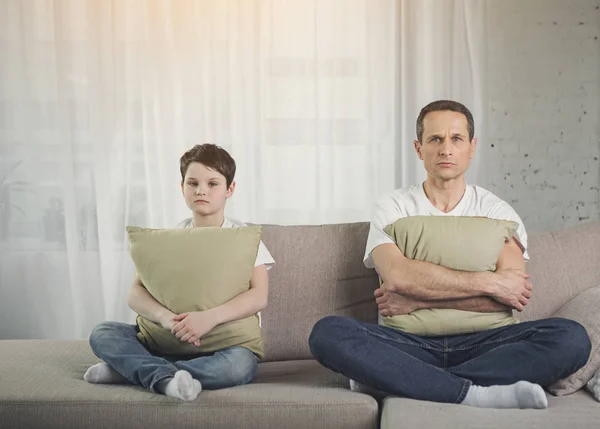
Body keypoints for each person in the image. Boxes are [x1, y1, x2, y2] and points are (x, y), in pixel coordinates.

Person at [309, 100, 591, 409]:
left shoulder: (497, 211)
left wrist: (418, 299)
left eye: (456, 139)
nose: (446, 149)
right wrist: (489, 283)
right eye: (435, 139)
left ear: (472, 146)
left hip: (486, 343)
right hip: (408, 344)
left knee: (572, 338)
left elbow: (512, 294)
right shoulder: (393, 207)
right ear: (419, 148)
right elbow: (398, 276)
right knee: (328, 333)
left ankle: (400, 379)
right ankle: (472, 393)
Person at [84, 143, 275, 401]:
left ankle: (133, 373)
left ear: (230, 189)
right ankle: (161, 375)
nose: (201, 191)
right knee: (103, 332)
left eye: (212, 184)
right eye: (192, 183)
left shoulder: (244, 237)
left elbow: (259, 296)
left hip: (225, 347)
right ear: (182, 187)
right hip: (167, 340)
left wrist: (208, 318)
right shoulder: (169, 238)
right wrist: (164, 318)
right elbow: (135, 292)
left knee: (239, 367)